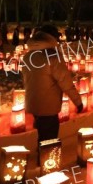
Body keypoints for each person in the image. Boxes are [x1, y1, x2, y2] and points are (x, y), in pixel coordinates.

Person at [22, 26, 83, 164]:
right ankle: (48, 166)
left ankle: (41, 160)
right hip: (49, 106)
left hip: (34, 103)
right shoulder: (52, 57)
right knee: (49, 138)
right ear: (50, 38)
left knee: (42, 135)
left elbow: (27, 81)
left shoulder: (28, 56)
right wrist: (77, 101)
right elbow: (65, 82)